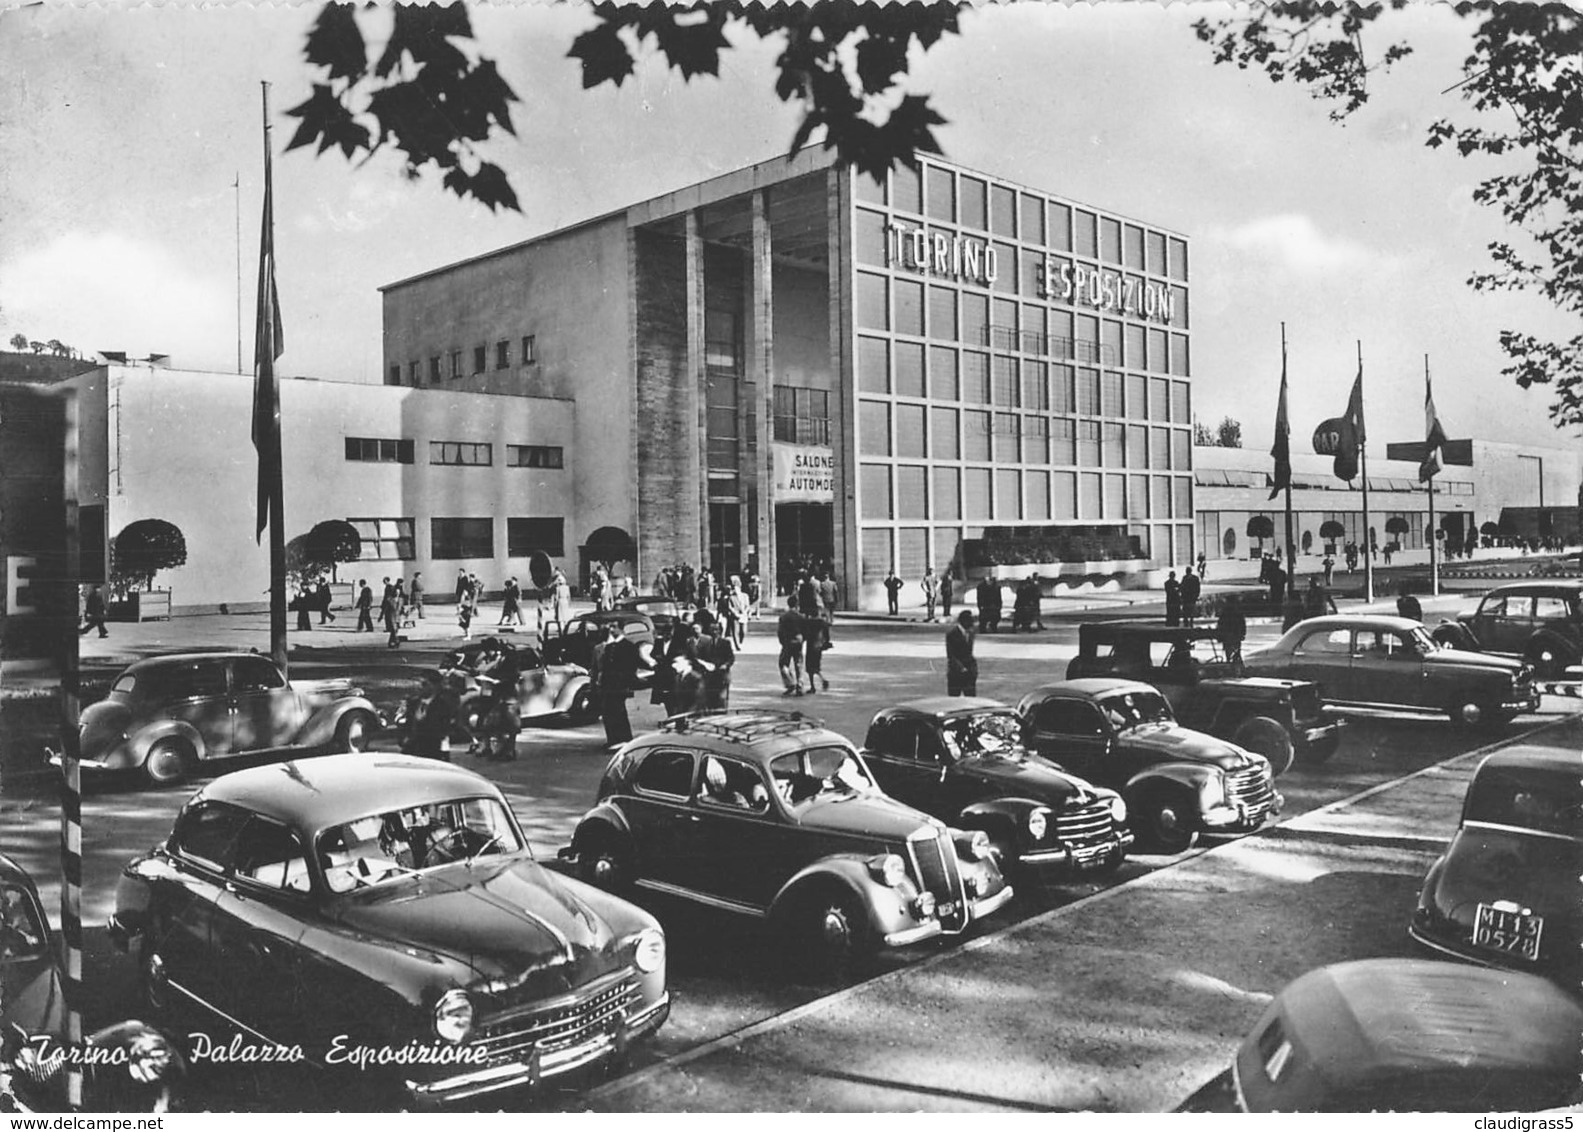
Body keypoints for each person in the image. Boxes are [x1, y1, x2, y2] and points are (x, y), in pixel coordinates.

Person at [595, 623, 640, 747]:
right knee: (608, 712)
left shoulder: (629, 646)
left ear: (621, 629)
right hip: (608, 685)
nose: (611, 630)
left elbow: (631, 667)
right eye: (610, 627)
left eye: (614, 627)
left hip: (620, 686)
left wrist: (627, 684)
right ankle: (613, 739)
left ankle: (624, 738)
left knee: (619, 711)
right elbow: (605, 667)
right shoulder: (610, 647)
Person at [401, 670, 461, 761]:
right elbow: (408, 725)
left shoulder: (442, 706)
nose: (420, 687)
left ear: (434, 686)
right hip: (412, 751)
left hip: (432, 752)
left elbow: (443, 731)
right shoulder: (413, 703)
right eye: (419, 684)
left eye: (424, 684)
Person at [694, 609, 737, 709]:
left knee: (722, 694)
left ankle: (721, 709)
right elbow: (699, 657)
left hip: (722, 672)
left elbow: (731, 657)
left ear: (720, 631)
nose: (714, 632)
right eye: (712, 630)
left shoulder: (725, 643)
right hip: (709, 672)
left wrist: (725, 665)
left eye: (716, 630)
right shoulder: (705, 643)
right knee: (707, 693)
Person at [945, 610, 978, 696]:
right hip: (956, 674)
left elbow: (969, 652)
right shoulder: (952, 634)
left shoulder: (971, 633)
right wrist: (961, 668)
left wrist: (973, 669)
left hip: (969, 673)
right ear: (964, 621)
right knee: (954, 701)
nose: (972, 624)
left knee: (971, 700)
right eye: (970, 621)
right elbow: (951, 655)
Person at [777, 598, 806, 696]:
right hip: (798, 641)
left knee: (783, 663)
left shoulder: (784, 617)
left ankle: (790, 682)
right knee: (799, 664)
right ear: (797, 604)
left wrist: (782, 641)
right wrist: (802, 640)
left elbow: (780, 631)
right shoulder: (801, 617)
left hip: (787, 642)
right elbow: (805, 631)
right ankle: (800, 685)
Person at [803, 610, 829, 693]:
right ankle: (822, 679)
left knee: (810, 667)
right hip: (819, 646)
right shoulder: (823, 623)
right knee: (816, 665)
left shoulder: (808, 622)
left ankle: (812, 686)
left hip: (810, 646)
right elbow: (827, 636)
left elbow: (805, 634)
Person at [1216, 596, 1247, 667]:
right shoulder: (1238, 612)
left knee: (1229, 651)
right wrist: (1243, 634)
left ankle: (1231, 663)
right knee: (1235, 651)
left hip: (1229, 636)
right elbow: (1242, 624)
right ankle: (1236, 663)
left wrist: (1219, 635)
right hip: (1234, 635)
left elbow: (1221, 624)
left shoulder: (1225, 613)